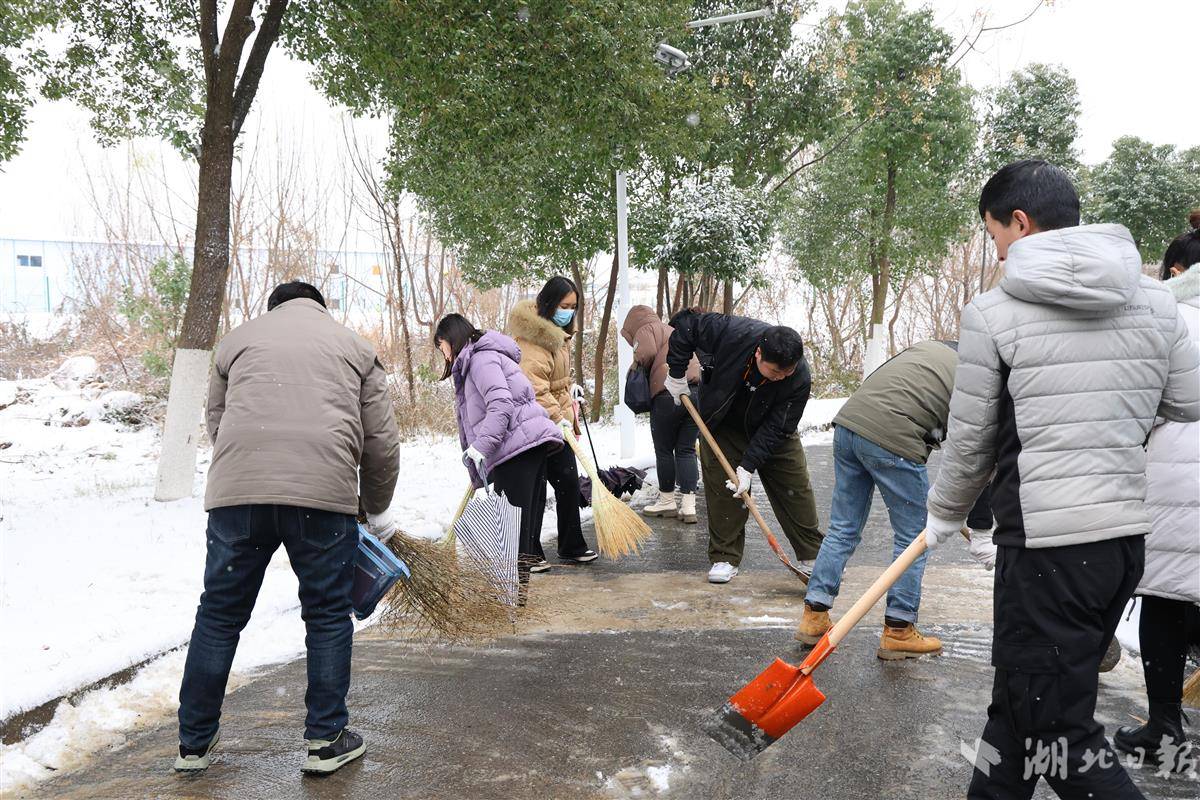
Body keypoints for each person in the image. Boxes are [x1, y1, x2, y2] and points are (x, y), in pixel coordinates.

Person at [924, 161, 1200, 798]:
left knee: (1058, 730)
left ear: (1019, 223)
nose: (997, 252)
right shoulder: (1156, 301)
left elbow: (971, 441)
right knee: (1017, 709)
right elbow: (1187, 401)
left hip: (1046, 552)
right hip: (1120, 547)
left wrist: (945, 512)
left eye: (994, 234)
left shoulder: (993, 313)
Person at [175, 281, 400, 775]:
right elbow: (381, 440)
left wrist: (249, 467)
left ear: (272, 309)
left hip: (239, 495)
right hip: (322, 495)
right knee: (327, 614)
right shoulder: (355, 347)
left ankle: (193, 743)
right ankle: (325, 739)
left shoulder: (235, 342)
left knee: (219, 615)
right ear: (319, 308)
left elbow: (218, 420)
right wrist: (376, 507)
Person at [796, 340, 997, 660]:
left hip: (849, 426)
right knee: (914, 537)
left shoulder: (929, 350)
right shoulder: (983, 380)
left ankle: (814, 615)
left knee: (843, 528)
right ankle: (899, 630)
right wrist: (982, 528)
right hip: (894, 437)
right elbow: (978, 457)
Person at [1113, 212, 1200, 769]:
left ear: (1175, 270)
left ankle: (1165, 724)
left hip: (1176, 480)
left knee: (1167, 599)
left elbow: (1142, 407)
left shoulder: (1168, 316)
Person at [663, 309, 823, 583]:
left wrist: (748, 467)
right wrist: (676, 373)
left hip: (773, 428)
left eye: (787, 372)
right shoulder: (732, 333)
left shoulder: (799, 377)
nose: (781, 377)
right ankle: (725, 556)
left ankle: (813, 555)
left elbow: (778, 427)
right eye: (775, 371)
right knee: (724, 488)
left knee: (795, 488)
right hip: (725, 421)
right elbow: (685, 325)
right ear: (759, 353)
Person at [435, 314, 564, 587]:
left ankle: (510, 599)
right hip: (525, 447)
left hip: (517, 452)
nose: (443, 353)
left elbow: (501, 404)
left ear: (451, 339)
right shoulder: (480, 358)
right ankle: (515, 598)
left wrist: (481, 446)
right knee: (521, 533)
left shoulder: (480, 360)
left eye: (441, 345)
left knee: (512, 534)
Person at [508, 276, 597, 570]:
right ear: (549, 303)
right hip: (533, 424)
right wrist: (557, 417)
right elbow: (533, 387)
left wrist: (569, 395)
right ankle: (530, 552)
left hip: (556, 421)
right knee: (535, 490)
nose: (568, 312)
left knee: (567, 481)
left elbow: (556, 381)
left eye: (573, 307)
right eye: (564, 306)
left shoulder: (559, 335)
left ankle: (571, 544)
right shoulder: (533, 339)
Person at [619, 304, 701, 523]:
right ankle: (689, 506)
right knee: (686, 449)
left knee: (664, 450)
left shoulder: (646, 329)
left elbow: (645, 353)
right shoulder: (671, 329)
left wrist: (636, 365)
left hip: (667, 393)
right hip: (694, 392)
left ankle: (667, 501)